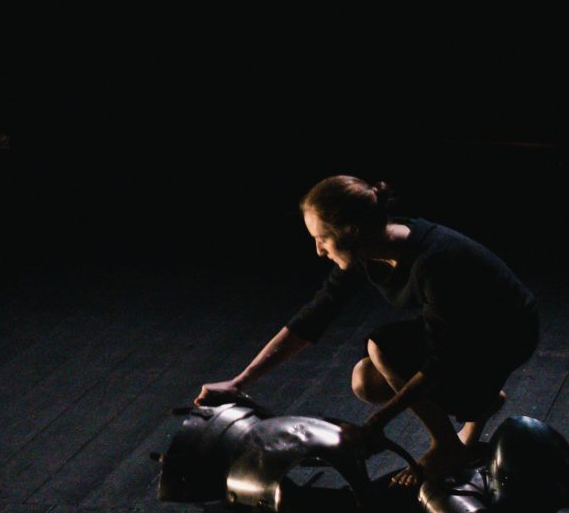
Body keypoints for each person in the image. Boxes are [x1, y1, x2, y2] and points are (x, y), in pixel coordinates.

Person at [197, 176, 538, 478]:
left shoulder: (435, 261)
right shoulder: (369, 251)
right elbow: (313, 318)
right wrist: (239, 382)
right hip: (466, 330)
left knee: (383, 347)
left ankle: (448, 446)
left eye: (322, 239)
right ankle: (480, 401)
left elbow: (440, 360)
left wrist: (375, 424)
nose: (319, 251)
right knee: (366, 379)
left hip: (505, 334)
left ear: (352, 232)